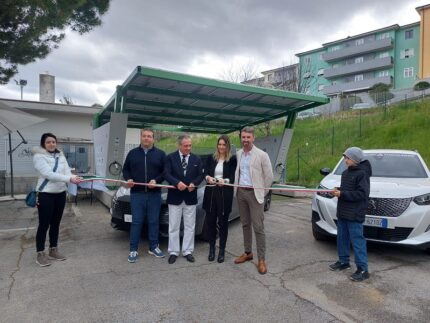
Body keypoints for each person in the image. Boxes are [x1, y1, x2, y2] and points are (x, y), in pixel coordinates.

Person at [32, 133, 81, 267]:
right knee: (44, 224)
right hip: (46, 194)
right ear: (43, 144)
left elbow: (66, 171)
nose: (52, 144)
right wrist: (69, 179)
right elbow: (49, 174)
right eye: (48, 142)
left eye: (53, 142)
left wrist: (73, 177)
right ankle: (40, 253)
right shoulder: (38, 156)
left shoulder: (60, 155)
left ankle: (53, 249)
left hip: (60, 193)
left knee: (56, 223)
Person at [122, 128, 166, 263]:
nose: (147, 138)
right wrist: (128, 179)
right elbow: (126, 169)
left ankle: (153, 247)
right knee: (136, 222)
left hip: (154, 194)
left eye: (149, 136)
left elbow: (165, 172)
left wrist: (156, 180)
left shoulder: (160, 154)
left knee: (153, 221)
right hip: (137, 194)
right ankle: (133, 249)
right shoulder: (132, 153)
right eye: (144, 136)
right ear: (141, 138)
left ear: (153, 139)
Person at [234, 126, 273, 274]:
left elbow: (269, 177)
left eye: (248, 137)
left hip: (255, 194)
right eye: (243, 137)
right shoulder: (238, 154)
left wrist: (262, 193)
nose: (245, 140)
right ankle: (248, 253)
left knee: (258, 227)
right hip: (241, 193)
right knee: (245, 224)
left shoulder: (262, 155)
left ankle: (261, 259)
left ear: (253, 138)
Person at [330, 147, 372, 282]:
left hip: (355, 214)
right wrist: (338, 191)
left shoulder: (362, 174)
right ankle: (344, 262)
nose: (345, 160)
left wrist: (343, 194)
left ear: (355, 159)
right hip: (343, 212)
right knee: (342, 238)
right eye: (345, 157)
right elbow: (348, 190)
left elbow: (362, 194)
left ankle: (363, 269)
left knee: (357, 241)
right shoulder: (345, 173)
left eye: (347, 158)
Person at [164, 134, 204, 264]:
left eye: (190, 145)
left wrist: (194, 183)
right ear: (179, 145)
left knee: (190, 226)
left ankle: (187, 251)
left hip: (190, 198)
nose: (188, 148)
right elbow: (166, 174)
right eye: (186, 146)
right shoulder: (170, 157)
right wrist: (177, 183)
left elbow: (201, 175)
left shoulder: (196, 159)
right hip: (175, 197)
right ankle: (174, 251)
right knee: (174, 226)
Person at [203, 135, 237, 263]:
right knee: (210, 223)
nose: (221, 147)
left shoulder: (232, 159)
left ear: (227, 146)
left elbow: (233, 177)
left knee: (223, 224)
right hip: (211, 193)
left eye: (224, 145)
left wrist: (225, 180)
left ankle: (222, 250)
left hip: (224, 194)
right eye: (219, 144)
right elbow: (205, 172)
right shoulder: (211, 158)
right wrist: (208, 178)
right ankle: (212, 249)